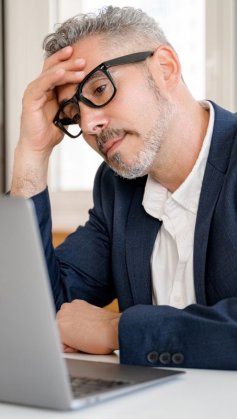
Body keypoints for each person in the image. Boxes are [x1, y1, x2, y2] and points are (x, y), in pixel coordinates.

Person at [10, 5, 237, 370]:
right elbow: (39, 313)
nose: (88, 126)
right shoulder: (117, 189)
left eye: (100, 89)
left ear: (165, 68)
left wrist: (119, 330)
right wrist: (30, 157)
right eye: (72, 114)